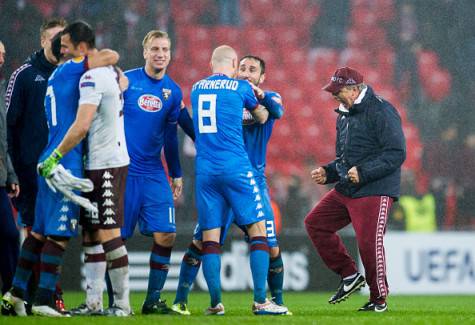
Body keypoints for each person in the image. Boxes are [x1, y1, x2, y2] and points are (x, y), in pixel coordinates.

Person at [1, 23, 120, 317]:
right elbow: (112, 56)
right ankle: (42, 300)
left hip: (46, 157)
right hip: (63, 162)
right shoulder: (71, 70)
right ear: (81, 49)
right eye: (63, 45)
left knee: (38, 233)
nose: (63, 49)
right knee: (58, 236)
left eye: (65, 44)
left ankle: (16, 293)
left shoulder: (54, 76)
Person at [171, 55, 290, 315]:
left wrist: (259, 94)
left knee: (271, 244)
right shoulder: (231, 96)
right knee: (200, 241)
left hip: (252, 180)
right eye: (243, 68)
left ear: (262, 77)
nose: (247, 73)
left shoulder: (269, 96)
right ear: (235, 70)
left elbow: (277, 111)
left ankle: (278, 300)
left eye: (253, 70)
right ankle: (181, 298)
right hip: (233, 175)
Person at [38, 20, 131, 317]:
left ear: (81, 47)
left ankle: (122, 305)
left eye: (65, 45)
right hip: (95, 163)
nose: (61, 51)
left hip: (106, 164)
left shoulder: (91, 78)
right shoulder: (104, 73)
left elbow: (80, 127)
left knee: (108, 231)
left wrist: (55, 156)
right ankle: (94, 303)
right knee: (91, 233)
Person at [304, 67, 406, 312]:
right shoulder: (344, 114)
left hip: (375, 188)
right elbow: (345, 158)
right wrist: (328, 172)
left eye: (337, 92)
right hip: (348, 188)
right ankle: (349, 275)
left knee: (368, 243)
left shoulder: (381, 110)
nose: (333, 96)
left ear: (354, 89)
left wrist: (364, 172)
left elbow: (396, 153)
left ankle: (378, 298)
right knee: (315, 223)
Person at [118, 29, 184, 315]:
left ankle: (152, 300)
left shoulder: (173, 91)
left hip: (154, 173)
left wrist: (177, 173)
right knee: (116, 239)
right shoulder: (126, 81)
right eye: (155, 48)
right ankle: (117, 301)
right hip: (123, 171)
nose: (160, 54)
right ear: (145, 52)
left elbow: (171, 137)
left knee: (166, 234)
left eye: (165, 49)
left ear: (170, 54)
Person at [5, 18, 67, 312]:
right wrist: (13, 171)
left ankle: (41, 296)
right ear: (43, 40)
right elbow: (7, 127)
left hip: (62, 173)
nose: (59, 44)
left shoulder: (71, 75)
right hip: (30, 173)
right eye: (54, 38)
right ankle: (32, 295)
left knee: (56, 235)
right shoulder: (24, 75)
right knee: (34, 235)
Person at [0, 40, 21, 298]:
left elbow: (2, 138)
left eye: (3, 55)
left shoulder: (2, 87)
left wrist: (11, 174)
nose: (2, 59)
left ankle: (12, 292)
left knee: (8, 233)